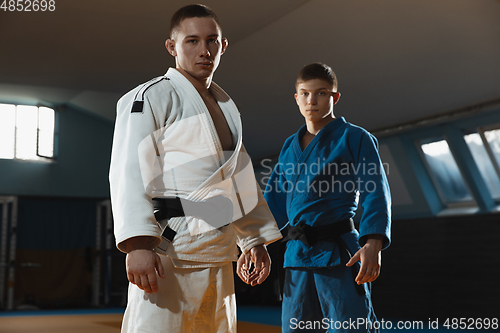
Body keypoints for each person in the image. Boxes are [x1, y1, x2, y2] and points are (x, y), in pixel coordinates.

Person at [109, 4, 281, 333]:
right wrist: (137, 245)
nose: (204, 50)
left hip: (218, 250)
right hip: (168, 252)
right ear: (172, 46)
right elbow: (128, 172)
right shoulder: (149, 97)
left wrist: (254, 240)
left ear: (223, 45)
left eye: (211, 40)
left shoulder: (227, 108)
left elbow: (239, 178)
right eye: (192, 41)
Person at [261, 63, 391, 332]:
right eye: (305, 94)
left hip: (340, 253)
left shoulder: (355, 138)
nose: (312, 100)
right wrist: (254, 243)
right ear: (297, 98)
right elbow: (272, 200)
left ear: (335, 97)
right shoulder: (289, 146)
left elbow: (375, 190)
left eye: (321, 93)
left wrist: (374, 243)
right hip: (297, 256)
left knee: (349, 327)